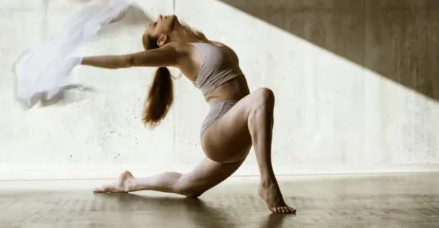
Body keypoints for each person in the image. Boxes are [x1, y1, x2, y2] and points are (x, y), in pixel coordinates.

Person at [81, 14, 296, 214]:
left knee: (187, 186)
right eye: (155, 25)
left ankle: (129, 182)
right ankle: (267, 181)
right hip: (218, 130)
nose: (158, 17)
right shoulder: (177, 51)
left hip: (239, 130)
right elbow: (125, 61)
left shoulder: (203, 42)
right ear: (162, 39)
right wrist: (79, 60)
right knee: (262, 96)